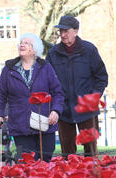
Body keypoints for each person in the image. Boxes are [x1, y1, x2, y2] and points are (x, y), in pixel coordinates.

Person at [0, 33, 64, 162]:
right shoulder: (9, 69)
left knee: (45, 158)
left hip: (44, 122)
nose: (22, 45)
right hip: (20, 124)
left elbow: (57, 92)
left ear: (34, 49)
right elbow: (0, 95)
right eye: (21, 42)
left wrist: (56, 111)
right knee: (26, 161)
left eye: (26, 43)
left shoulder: (45, 67)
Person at [46, 15, 108, 157]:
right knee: (68, 154)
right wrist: (55, 104)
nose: (62, 34)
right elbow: (47, 80)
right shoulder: (53, 54)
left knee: (91, 154)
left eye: (66, 31)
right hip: (63, 109)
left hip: (87, 108)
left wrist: (93, 97)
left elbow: (101, 77)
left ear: (76, 31)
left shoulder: (89, 50)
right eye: (61, 31)